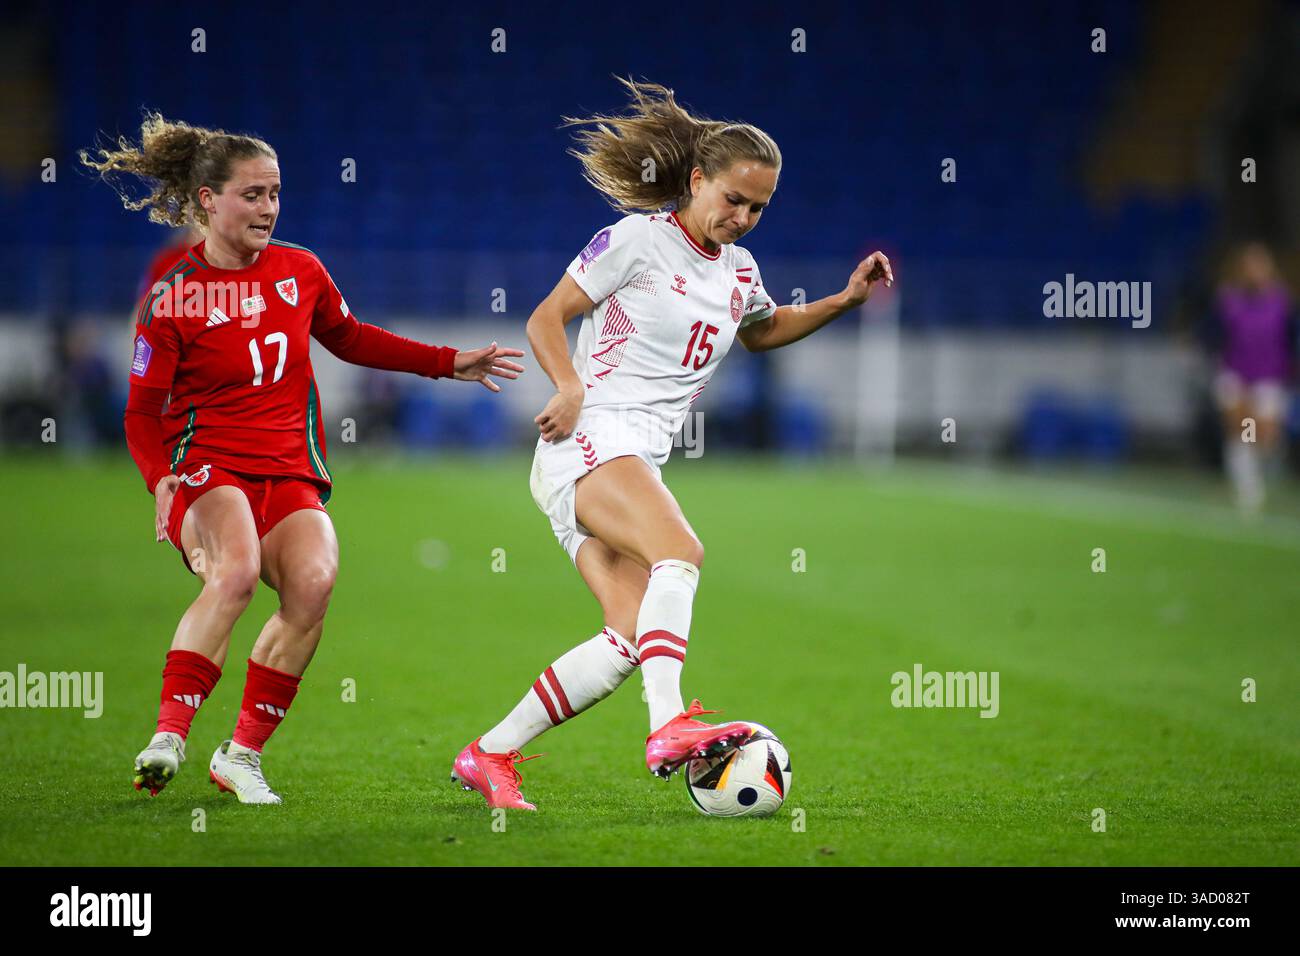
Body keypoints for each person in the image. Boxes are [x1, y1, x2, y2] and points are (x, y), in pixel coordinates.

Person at [451, 79, 892, 810]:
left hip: (627, 459)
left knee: (626, 638)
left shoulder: (740, 272)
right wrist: (566, 386)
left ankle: (489, 753)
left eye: (758, 208)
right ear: (696, 180)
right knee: (681, 552)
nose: (743, 217)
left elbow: (762, 330)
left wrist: (843, 301)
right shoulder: (638, 238)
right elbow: (545, 317)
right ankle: (667, 726)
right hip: (589, 436)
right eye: (733, 199)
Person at [80, 114, 525, 803]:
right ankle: (169, 734)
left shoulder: (300, 270)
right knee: (234, 573)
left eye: (275, 194)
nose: (268, 209)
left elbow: (350, 337)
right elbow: (141, 412)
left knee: (314, 584)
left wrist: (449, 362)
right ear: (208, 200)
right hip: (209, 465)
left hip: (289, 467)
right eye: (252, 195)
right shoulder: (172, 297)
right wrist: (158, 477)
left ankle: (241, 756)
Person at [1211, 242, 1295, 514]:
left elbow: (1290, 339)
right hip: (1236, 375)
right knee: (1241, 430)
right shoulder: (1229, 302)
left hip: (1269, 376)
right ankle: (1247, 489)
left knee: (1263, 437)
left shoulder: (1282, 303)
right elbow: (1215, 337)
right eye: (1249, 266)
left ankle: (1255, 475)